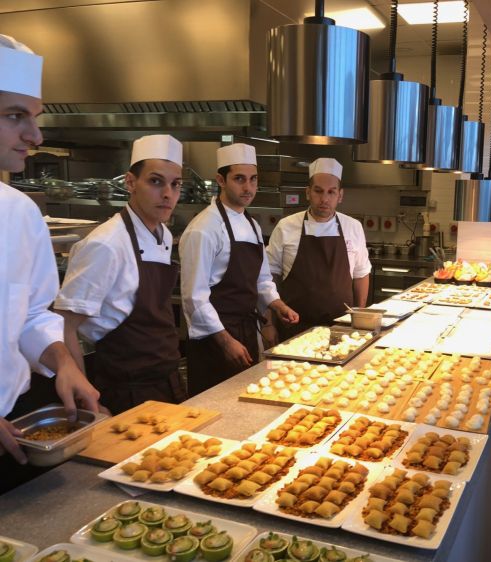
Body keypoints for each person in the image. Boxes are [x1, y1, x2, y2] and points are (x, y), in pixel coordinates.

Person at [0, 34, 100, 489]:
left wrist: (63, 363)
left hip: (16, 431)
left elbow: (33, 315)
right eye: (15, 116)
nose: (36, 137)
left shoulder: (21, 215)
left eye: (35, 118)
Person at [55, 135, 187, 415]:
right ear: (130, 183)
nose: (167, 194)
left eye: (175, 184)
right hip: (124, 390)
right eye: (155, 181)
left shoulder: (161, 233)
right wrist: (87, 400)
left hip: (164, 380)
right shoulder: (106, 244)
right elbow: (64, 324)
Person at [179, 143, 299, 396]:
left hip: (244, 330)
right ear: (221, 180)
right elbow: (194, 298)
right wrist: (225, 341)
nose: (248, 188)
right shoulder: (203, 228)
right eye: (239, 179)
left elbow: (262, 280)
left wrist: (278, 305)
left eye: (253, 180)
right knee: (214, 406)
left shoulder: (252, 225)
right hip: (213, 339)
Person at [266, 157, 371, 339]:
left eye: (331, 192)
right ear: (308, 192)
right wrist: (268, 323)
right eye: (318, 191)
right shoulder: (286, 226)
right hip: (294, 328)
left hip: (341, 329)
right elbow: (268, 277)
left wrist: (358, 316)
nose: (324, 199)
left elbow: (361, 274)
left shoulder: (353, 227)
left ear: (340, 195)